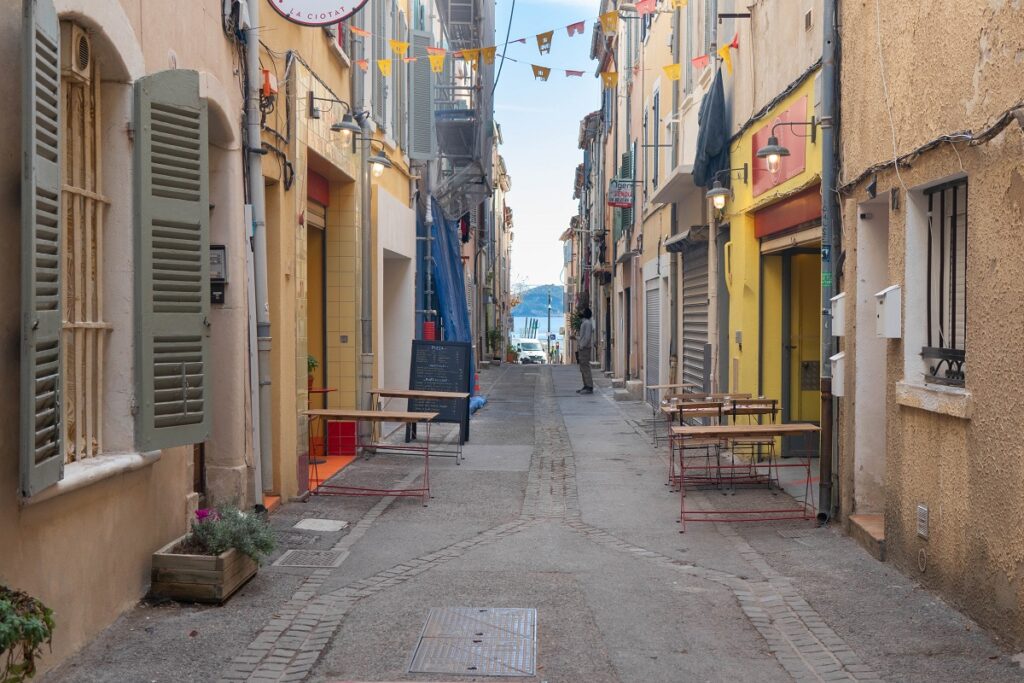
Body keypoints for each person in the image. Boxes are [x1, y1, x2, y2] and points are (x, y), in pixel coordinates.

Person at [576, 308, 594, 394]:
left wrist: (582, 346)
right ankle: (586, 385)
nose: (580, 311)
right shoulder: (584, 323)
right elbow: (583, 337)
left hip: (585, 349)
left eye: (582, 311)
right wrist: (576, 338)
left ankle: (589, 386)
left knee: (585, 367)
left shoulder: (587, 323)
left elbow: (587, 337)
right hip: (582, 348)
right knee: (582, 367)